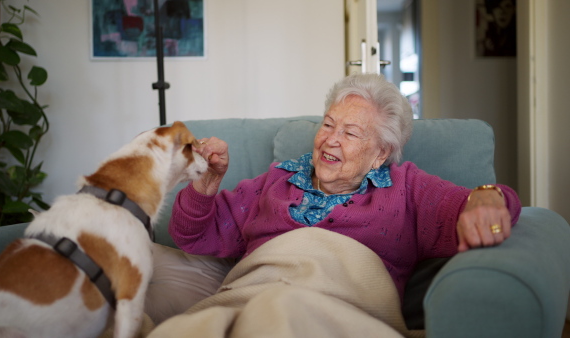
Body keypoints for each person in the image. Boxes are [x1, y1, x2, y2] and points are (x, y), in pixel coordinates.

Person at [169, 73, 521, 303]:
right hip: (254, 291)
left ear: (380, 153)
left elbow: (479, 203)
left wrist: (488, 196)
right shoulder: (277, 179)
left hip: (339, 305)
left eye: (350, 133)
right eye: (328, 125)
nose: (330, 140)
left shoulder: (406, 189)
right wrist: (207, 182)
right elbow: (192, 236)